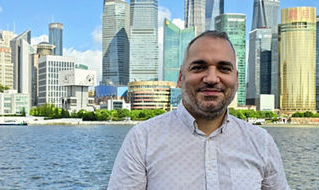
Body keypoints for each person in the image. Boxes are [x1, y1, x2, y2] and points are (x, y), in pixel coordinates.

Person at [107, 31, 289, 190]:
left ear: (237, 80)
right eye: (199, 67)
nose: (211, 78)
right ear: (180, 78)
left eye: (224, 68)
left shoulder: (261, 142)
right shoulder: (143, 139)